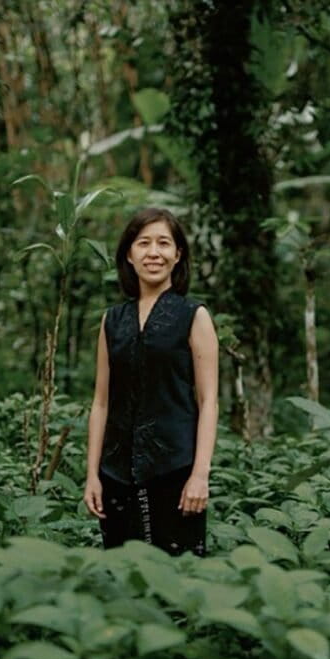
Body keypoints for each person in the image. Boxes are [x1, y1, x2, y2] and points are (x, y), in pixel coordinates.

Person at [83, 207, 219, 556]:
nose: (153, 253)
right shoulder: (112, 320)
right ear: (129, 254)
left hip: (175, 470)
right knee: (122, 580)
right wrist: (92, 475)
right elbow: (100, 402)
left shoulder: (194, 316)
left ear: (178, 254)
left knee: (178, 585)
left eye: (163, 243)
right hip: (115, 472)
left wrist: (200, 476)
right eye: (143, 243)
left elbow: (208, 402)